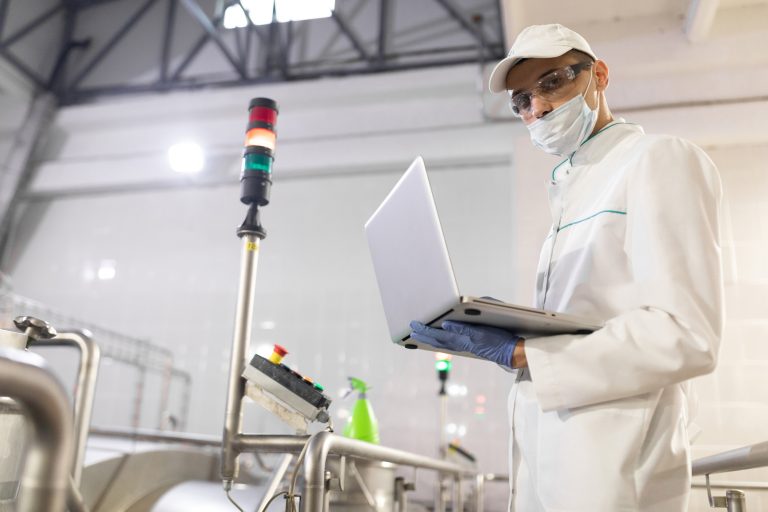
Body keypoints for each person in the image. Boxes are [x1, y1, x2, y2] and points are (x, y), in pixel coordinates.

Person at [410, 23, 723, 511]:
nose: (539, 107)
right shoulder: (570, 194)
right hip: (557, 458)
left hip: (618, 465)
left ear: (598, 74)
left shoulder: (657, 159)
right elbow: (587, 319)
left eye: (553, 82)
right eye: (522, 101)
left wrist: (524, 353)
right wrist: (505, 324)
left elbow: (686, 335)